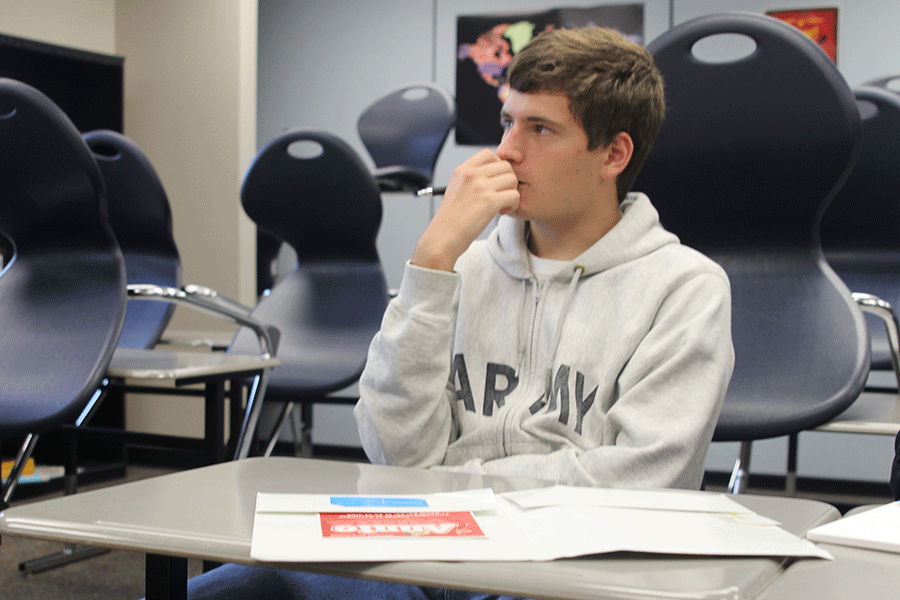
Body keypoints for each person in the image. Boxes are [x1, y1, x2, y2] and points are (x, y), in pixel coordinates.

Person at [184, 26, 734, 600]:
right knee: (241, 586)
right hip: (430, 560)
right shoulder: (461, 268)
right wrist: (432, 259)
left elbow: (639, 486)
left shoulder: (685, 289)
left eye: (540, 128)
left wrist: (453, 490)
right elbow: (394, 453)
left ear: (613, 154)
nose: (506, 152)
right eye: (507, 122)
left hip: (567, 576)